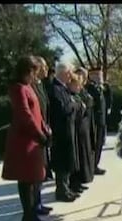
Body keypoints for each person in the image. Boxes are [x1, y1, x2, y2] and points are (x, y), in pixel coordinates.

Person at [1, 55, 51, 221]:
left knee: (33, 177)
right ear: (27, 70)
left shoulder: (29, 87)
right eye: (34, 72)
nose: (35, 76)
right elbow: (24, 115)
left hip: (33, 137)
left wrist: (44, 128)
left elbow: (37, 111)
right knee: (26, 179)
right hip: (24, 140)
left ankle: (32, 211)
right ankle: (28, 215)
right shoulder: (18, 88)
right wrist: (39, 135)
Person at [48, 62, 80, 202]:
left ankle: (66, 188)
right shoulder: (55, 88)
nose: (70, 76)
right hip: (60, 131)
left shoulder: (63, 88)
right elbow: (62, 108)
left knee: (67, 160)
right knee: (62, 161)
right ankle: (61, 190)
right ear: (63, 73)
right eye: (69, 73)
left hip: (67, 129)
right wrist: (73, 105)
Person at [31, 56, 53, 216]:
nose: (46, 69)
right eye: (44, 67)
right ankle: (34, 205)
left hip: (44, 130)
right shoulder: (30, 86)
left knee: (41, 170)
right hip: (36, 134)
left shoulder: (41, 85)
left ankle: (39, 202)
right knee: (34, 173)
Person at [86, 68, 107, 175]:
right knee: (95, 144)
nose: (101, 78)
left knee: (100, 144)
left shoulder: (100, 88)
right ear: (92, 76)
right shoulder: (90, 88)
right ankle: (93, 166)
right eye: (98, 75)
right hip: (95, 121)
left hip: (101, 121)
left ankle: (96, 165)